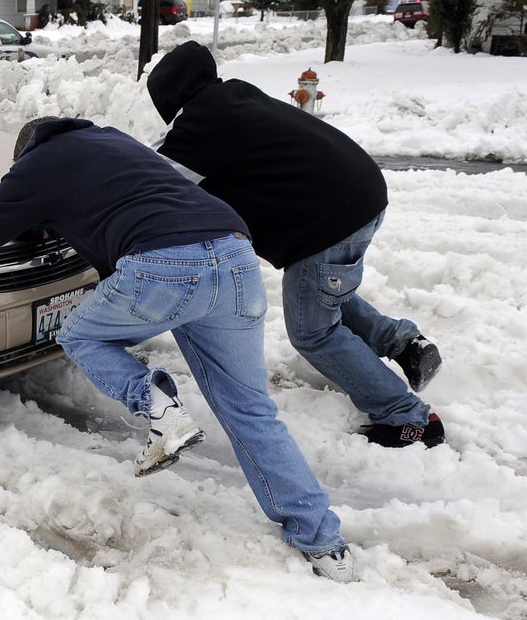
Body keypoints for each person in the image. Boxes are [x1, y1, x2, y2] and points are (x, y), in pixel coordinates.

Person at [0, 117, 359, 582]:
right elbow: (119, 213)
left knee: (81, 334)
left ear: (25, 152)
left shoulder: (37, 162)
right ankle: (324, 543)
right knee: (251, 410)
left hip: (166, 263)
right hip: (235, 256)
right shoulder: (114, 143)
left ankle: (159, 406)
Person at [146, 41, 444, 449]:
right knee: (320, 289)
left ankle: (408, 418)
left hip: (330, 220)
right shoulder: (235, 96)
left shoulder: (200, 123)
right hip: (361, 195)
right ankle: (406, 344)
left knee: (312, 331)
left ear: (168, 97)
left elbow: (148, 179)